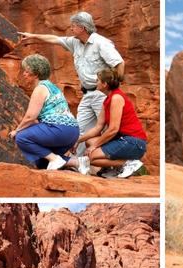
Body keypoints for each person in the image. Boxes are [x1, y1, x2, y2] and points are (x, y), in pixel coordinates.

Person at [19, 11, 125, 157]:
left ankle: (116, 165)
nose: (71, 29)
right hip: (87, 94)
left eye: (73, 26)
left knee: (108, 129)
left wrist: (114, 88)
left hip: (103, 94)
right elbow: (55, 39)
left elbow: (119, 63)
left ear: (83, 28)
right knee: (79, 129)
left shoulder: (101, 43)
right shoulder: (75, 42)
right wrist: (33, 36)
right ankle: (78, 164)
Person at [63, 68, 147, 178]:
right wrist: (77, 140)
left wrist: (94, 146)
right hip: (122, 141)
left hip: (134, 142)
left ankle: (128, 163)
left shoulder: (117, 98)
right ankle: (113, 168)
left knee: (90, 157)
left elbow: (113, 129)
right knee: (89, 142)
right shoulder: (107, 100)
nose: (96, 83)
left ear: (105, 84)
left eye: (98, 80)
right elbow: (98, 127)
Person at [8, 54, 79, 170]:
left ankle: (55, 159)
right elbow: (41, 120)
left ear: (35, 74)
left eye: (26, 71)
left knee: (21, 137)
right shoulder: (53, 87)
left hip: (59, 130)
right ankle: (76, 162)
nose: (24, 74)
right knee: (42, 162)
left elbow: (31, 117)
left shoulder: (40, 88)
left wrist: (17, 130)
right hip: (72, 132)